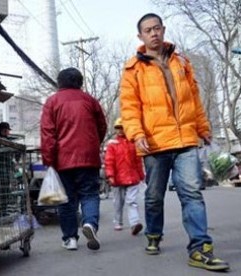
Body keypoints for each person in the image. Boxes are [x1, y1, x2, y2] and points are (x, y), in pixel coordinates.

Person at [119, 13, 229, 271]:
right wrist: (137, 134)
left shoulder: (181, 62)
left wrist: (203, 127)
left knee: (191, 193)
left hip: (186, 140)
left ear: (163, 29)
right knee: (154, 196)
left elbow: (194, 99)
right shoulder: (133, 69)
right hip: (155, 143)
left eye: (157, 28)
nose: (153, 33)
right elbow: (130, 107)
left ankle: (200, 248)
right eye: (148, 30)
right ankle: (154, 234)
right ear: (141, 36)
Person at [41, 67, 107, 251]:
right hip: (88, 158)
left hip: (63, 161)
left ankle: (70, 239)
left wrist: (48, 161)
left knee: (67, 200)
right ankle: (90, 225)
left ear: (59, 83)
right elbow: (102, 126)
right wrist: (93, 144)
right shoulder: (90, 101)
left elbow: (48, 134)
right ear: (80, 82)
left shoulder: (52, 102)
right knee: (90, 194)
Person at [104, 117, 144, 235]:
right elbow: (109, 161)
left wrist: (141, 175)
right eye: (118, 128)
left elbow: (138, 161)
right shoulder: (112, 144)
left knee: (132, 201)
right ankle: (118, 221)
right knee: (118, 202)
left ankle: (134, 223)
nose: (120, 130)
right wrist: (110, 175)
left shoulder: (133, 143)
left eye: (122, 128)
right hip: (117, 178)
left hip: (132, 177)